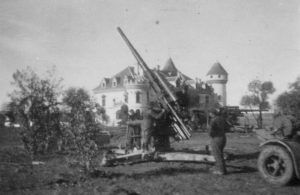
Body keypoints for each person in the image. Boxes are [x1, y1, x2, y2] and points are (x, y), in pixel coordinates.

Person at [208, 109, 228, 175]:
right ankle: (222, 169)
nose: (209, 114)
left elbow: (210, 130)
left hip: (216, 138)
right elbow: (227, 127)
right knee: (220, 154)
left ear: (212, 113)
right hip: (223, 137)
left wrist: (210, 134)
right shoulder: (222, 119)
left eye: (210, 113)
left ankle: (221, 171)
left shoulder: (213, 120)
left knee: (217, 155)